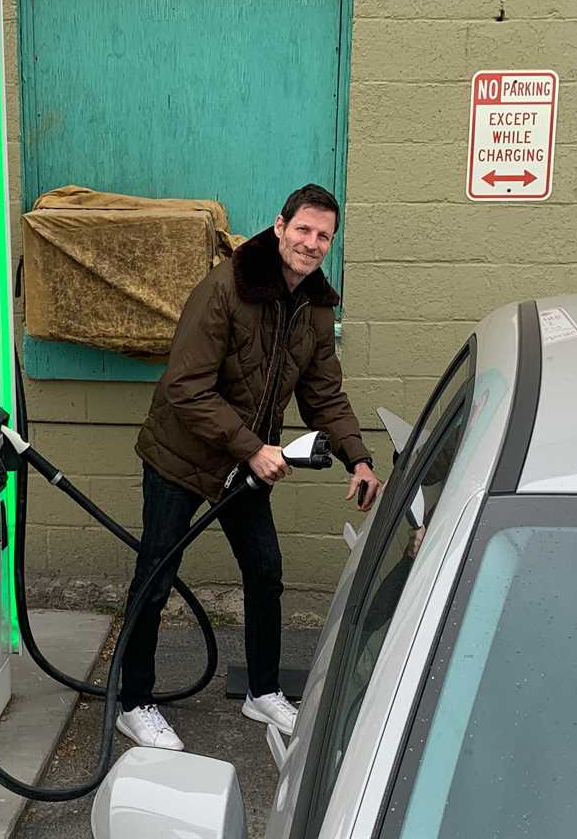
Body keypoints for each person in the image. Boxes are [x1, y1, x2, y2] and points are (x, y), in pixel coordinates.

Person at [117, 183, 382, 751]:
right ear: (279, 225)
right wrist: (252, 447)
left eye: (323, 237)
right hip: (181, 455)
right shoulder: (225, 289)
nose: (311, 244)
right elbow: (185, 387)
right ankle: (134, 702)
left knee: (264, 572)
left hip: (247, 460)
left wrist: (357, 458)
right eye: (303, 229)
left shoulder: (314, 305)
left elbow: (324, 394)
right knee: (156, 579)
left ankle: (263, 691)